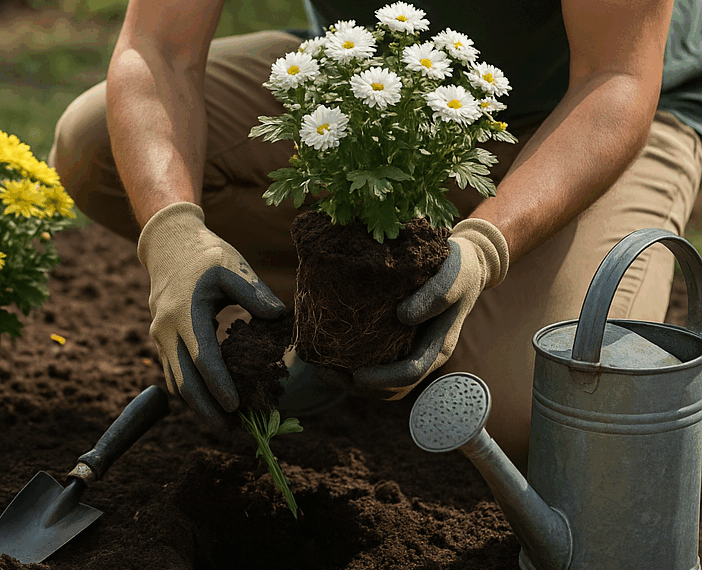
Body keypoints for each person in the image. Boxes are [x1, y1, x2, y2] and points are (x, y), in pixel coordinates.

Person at [49, 0, 702, 468]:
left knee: (532, 408)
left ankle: (437, 308)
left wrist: (486, 246)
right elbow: (157, 48)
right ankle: (351, 316)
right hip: (376, 95)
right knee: (95, 146)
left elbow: (616, 77)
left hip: (589, 112)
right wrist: (172, 231)